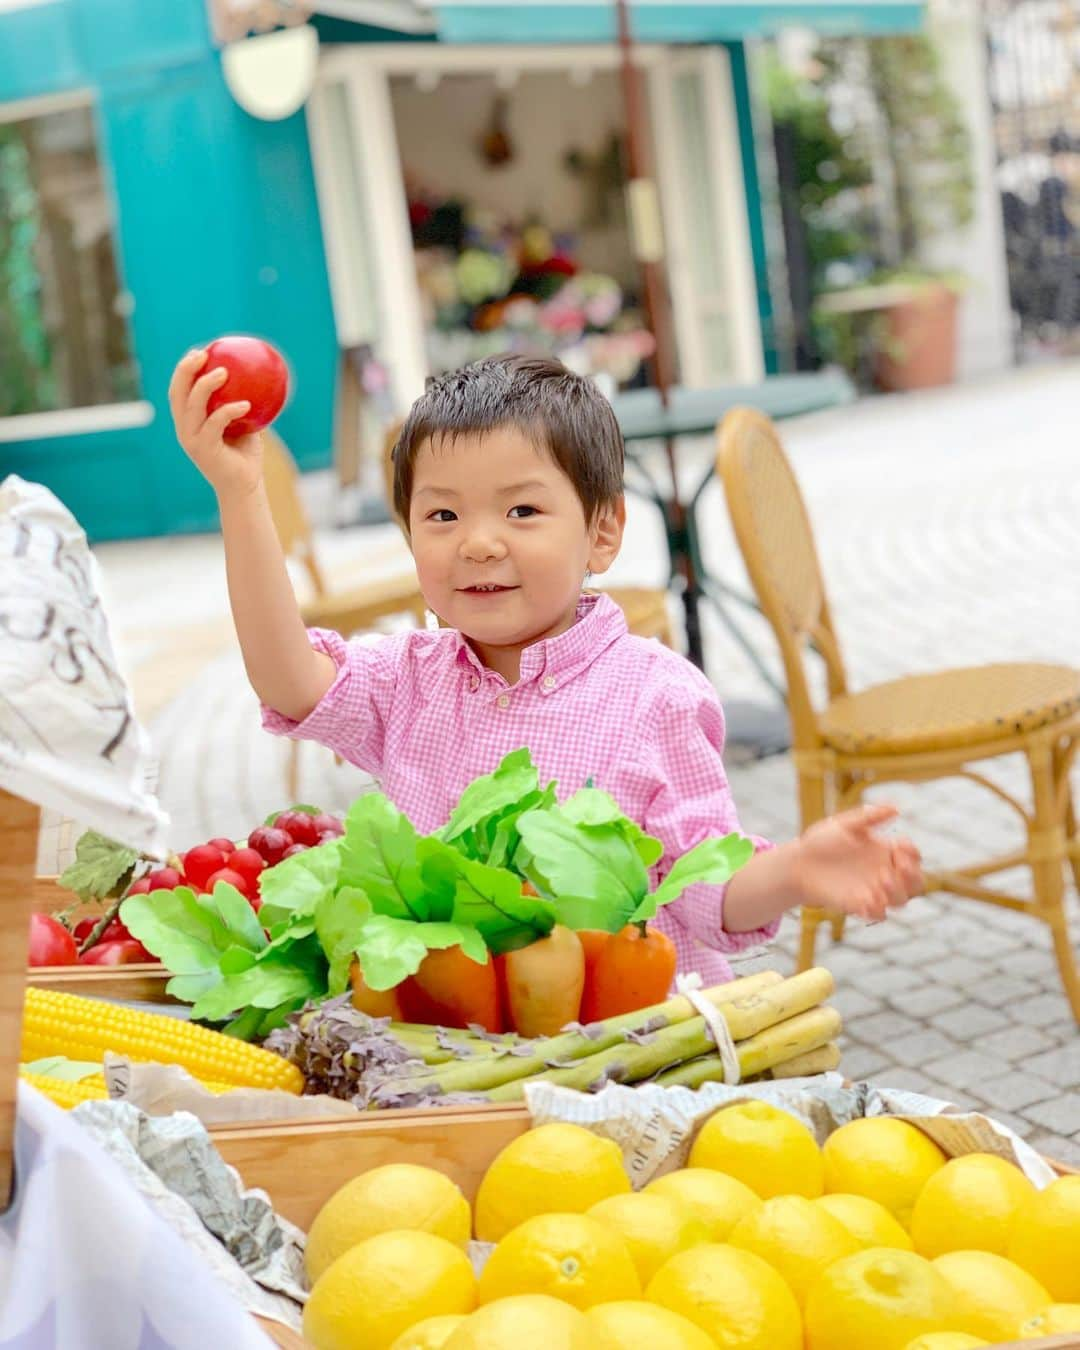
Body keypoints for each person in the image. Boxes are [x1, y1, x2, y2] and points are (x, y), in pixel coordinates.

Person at [169, 351, 922, 984]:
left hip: (637, 1049)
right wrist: (241, 493)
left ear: (602, 532)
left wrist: (792, 870)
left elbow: (704, 886)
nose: (480, 543)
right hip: (464, 1044)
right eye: (442, 516)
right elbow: (287, 677)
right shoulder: (405, 680)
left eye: (522, 512)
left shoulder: (657, 695)